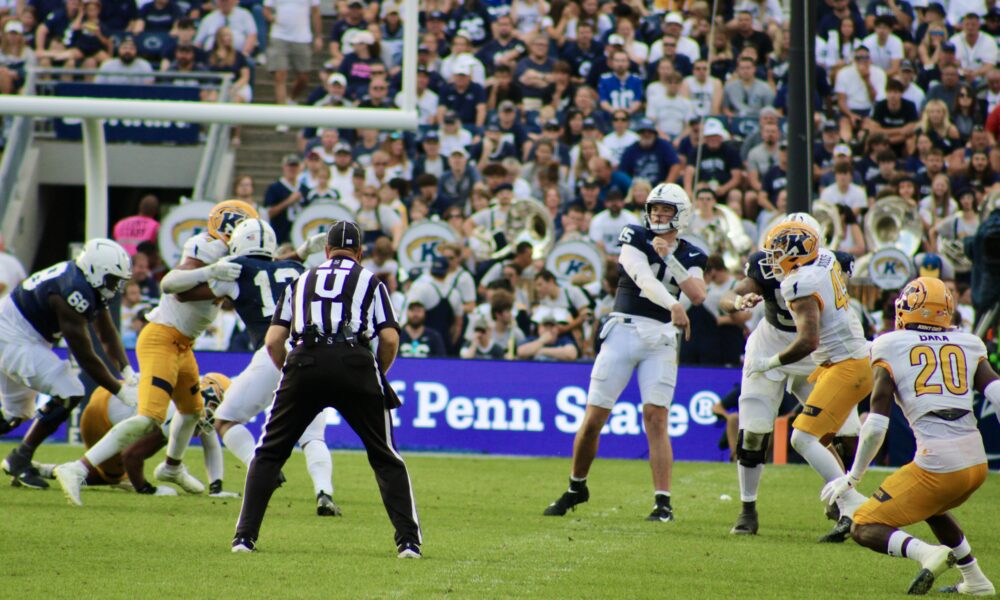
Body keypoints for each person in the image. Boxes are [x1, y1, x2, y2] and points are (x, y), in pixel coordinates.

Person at [231, 221, 421, 558]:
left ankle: (244, 538)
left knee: (270, 452)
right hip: (355, 362)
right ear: (360, 253)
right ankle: (408, 542)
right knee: (385, 456)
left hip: (306, 361)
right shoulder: (371, 281)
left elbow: (274, 340)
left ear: (327, 251)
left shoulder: (300, 280)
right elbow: (390, 338)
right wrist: (376, 371)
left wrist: (291, 369)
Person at [54, 201, 258, 506]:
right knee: (150, 418)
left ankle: (172, 467)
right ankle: (77, 468)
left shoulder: (233, 256)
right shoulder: (207, 247)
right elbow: (169, 283)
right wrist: (212, 271)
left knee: (193, 412)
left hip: (183, 344)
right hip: (161, 338)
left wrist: (303, 254)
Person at [823, 277, 999, 596]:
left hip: (939, 465)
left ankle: (927, 554)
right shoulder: (969, 342)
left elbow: (876, 422)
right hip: (976, 463)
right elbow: (998, 395)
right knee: (932, 508)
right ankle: (976, 580)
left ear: (906, 308)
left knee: (863, 526)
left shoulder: (889, 343)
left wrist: (852, 478)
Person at [542, 183, 706, 522]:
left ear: (681, 215)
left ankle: (663, 502)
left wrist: (670, 259)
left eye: (666, 210)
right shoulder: (634, 233)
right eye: (655, 209)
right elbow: (641, 277)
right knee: (593, 419)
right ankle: (577, 487)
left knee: (656, 417)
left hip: (660, 338)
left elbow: (699, 293)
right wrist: (674, 303)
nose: (659, 215)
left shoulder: (690, 253)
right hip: (623, 330)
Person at [170, 219, 339, 516]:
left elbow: (179, 291)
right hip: (314, 352)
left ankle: (260, 467)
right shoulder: (296, 269)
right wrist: (299, 253)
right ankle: (324, 493)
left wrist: (208, 271)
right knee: (312, 435)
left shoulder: (235, 267)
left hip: (273, 351)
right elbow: (275, 272)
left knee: (225, 420)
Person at [719, 212, 858, 536]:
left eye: (786, 245)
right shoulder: (765, 265)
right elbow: (730, 295)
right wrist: (739, 300)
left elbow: (826, 319)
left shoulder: (830, 266)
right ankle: (747, 508)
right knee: (753, 430)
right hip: (771, 342)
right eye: (776, 244)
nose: (777, 253)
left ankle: (845, 502)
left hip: (815, 351)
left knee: (846, 432)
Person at [0, 239, 135, 489]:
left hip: (18, 331)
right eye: (113, 280)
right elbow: (85, 355)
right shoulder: (73, 290)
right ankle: (21, 458)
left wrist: (126, 368)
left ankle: (17, 460)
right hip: (14, 337)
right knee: (70, 390)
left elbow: (107, 334)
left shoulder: (84, 281)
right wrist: (120, 391)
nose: (116, 287)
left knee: (12, 417)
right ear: (96, 271)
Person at [41, 373, 234, 497]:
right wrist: (146, 489)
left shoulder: (192, 401)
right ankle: (57, 470)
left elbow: (211, 444)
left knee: (111, 476)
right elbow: (131, 456)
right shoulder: (178, 411)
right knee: (113, 476)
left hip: (114, 396)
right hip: (101, 414)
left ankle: (44, 470)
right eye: (218, 405)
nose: (218, 412)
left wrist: (216, 488)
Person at [263, 0, 321, 114]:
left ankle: (291, 99)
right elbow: (266, 9)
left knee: (304, 77)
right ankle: (282, 114)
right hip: (279, 36)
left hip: (302, 37)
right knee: (280, 75)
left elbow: (315, 11)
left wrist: (318, 36)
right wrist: (272, 18)